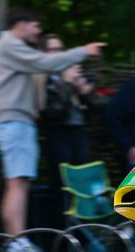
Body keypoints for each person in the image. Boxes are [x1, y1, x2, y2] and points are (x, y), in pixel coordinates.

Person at [0, 8, 105, 252]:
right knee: (16, 183)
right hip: (14, 120)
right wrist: (83, 50)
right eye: (35, 25)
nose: (37, 31)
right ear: (22, 24)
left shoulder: (9, 47)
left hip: (17, 120)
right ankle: (16, 245)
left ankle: (19, 243)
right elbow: (44, 63)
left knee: (20, 183)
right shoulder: (9, 45)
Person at [38, 34, 95, 197]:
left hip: (78, 132)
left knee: (82, 180)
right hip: (58, 133)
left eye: (60, 49)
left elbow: (96, 107)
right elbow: (53, 112)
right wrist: (68, 84)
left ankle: (81, 220)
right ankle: (62, 221)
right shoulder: (42, 79)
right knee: (62, 184)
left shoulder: (69, 70)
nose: (58, 53)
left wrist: (84, 92)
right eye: (52, 49)